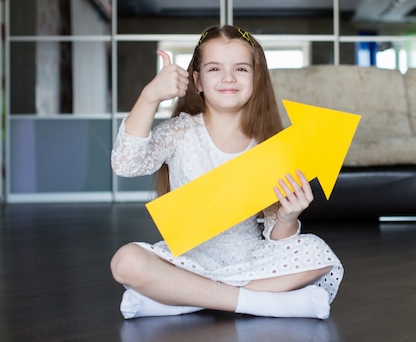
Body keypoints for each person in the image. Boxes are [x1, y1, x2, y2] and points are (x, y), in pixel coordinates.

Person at [110, 25, 343, 320]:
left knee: (318, 254)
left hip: (252, 259)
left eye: (241, 69)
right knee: (126, 262)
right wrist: (150, 96)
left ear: (256, 79)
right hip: (187, 260)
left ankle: (181, 299)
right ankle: (256, 302)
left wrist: (287, 217)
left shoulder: (271, 146)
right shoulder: (181, 131)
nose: (228, 78)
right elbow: (126, 164)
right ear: (197, 81)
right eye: (215, 69)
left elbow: (277, 238)